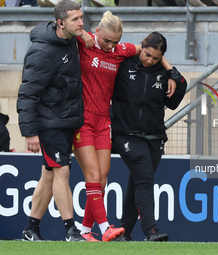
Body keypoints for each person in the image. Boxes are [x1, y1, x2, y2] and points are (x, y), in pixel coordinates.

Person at [74, 11, 175, 242]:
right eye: (106, 40)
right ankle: (106, 227)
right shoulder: (83, 42)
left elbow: (147, 51)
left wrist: (170, 71)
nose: (111, 46)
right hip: (83, 119)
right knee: (94, 175)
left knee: (101, 179)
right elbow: (59, 30)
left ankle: (84, 230)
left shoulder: (121, 51)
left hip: (104, 122)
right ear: (96, 31)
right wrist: (82, 34)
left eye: (115, 41)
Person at [17, 0, 85, 242]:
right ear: (60, 23)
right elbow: (27, 93)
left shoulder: (71, 39)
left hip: (64, 121)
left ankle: (30, 229)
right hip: (48, 124)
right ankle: (70, 230)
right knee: (62, 172)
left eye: (81, 17)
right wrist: (29, 132)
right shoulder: (43, 51)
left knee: (49, 175)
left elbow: (82, 33)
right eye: (76, 19)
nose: (81, 23)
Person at [111, 31, 187, 241]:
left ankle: (124, 231)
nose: (149, 60)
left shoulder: (164, 74)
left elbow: (174, 100)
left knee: (136, 182)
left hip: (154, 137)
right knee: (144, 178)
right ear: (141, 47)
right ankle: (150, 230)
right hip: (126, 133)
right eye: (147, 55)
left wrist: (171, 72)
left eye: (155, 58)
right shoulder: (124, 64)